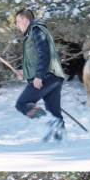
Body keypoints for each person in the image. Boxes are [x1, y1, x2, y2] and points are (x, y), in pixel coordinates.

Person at [14, 9, 67, 141]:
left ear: (25, 20)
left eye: (18, 22)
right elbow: (36, 59)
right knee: (54, 112)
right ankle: (61, 140)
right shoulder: (35, 32)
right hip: (53, 77)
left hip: (46, 77)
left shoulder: (36, 31)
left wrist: (39, 76)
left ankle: (50, 122)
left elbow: (44, 54)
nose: (17, 25)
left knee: (22, 103)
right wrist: (25, 72)